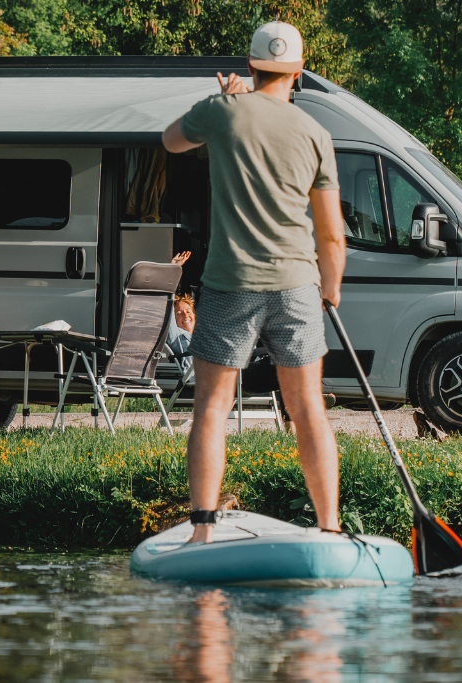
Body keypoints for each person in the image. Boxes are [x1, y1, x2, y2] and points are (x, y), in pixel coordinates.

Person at [162, 21, 346, 542]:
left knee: (213, 407)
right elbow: (331, 234)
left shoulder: (222, 113)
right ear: (299, 73)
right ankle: (329, 528)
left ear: (249, 67)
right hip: (297, 283)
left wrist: (224, 99)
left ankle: (202, 530)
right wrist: (329, 288)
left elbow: (170, 140)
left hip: (230, 282)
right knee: (307, 406)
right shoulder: (316, 134)